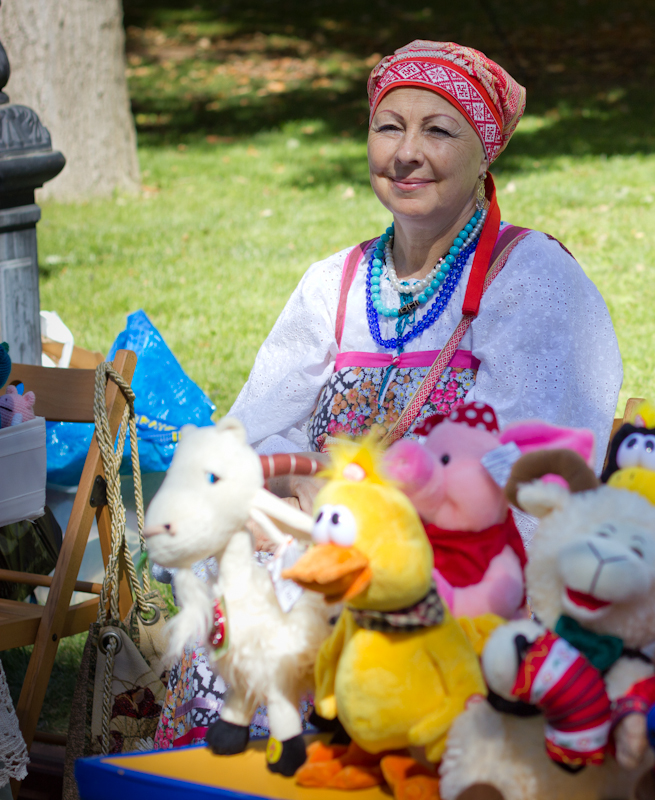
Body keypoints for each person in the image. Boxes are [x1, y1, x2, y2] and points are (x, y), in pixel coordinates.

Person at [154, 40, 623, 750]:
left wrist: (364, 526)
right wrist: (274, 491)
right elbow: (250, 433)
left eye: (438, 130)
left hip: (454, 583)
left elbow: (525, 475)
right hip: (315, 554)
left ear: (485, 153)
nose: (407, 153)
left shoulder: (531, 279)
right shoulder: (334, 283)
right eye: (389, 127)